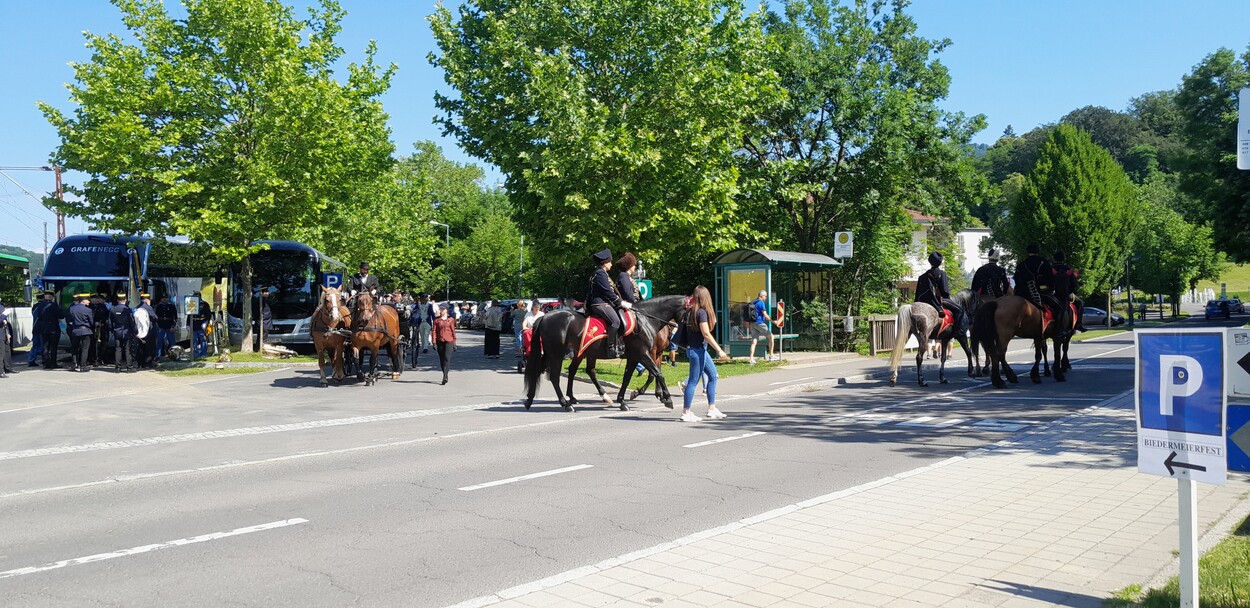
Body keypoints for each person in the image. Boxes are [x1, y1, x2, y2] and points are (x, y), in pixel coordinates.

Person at [680, 285, 730, 422]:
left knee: (713, 376)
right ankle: (686, 412)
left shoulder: (689, 312)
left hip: (694, 349)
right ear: (705, 297)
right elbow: (706, 334)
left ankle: (712, 409)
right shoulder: (701, 313)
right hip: (698, 350)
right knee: (693, 381)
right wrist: (719, 350)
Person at [1012, 243, 1066, 338]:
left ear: (1027, 251)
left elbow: (1016, 279)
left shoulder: (1021, 264)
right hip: (1040, 292)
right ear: (1038, 251)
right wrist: (1052, 288)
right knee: (1059, 308)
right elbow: (1050, 278)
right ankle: (1059, 331)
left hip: (1022, 294)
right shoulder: (1043, 262)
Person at [587, 249, 627, 358]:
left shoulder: (602, 273)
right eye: (609, 262)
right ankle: (610, 349)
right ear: (605, 263)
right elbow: (607, 292)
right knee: (616, 321)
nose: (611, 264)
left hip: (601, 303)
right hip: (599, 304)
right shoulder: (600, 274)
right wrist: (620, 302)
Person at [915, 252, 968, 329]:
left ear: (930, 262)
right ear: (940, 262)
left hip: (923, 301)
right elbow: (945, 292)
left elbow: (917, 294)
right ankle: (958, 331)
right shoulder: (941, 273)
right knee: (960, 311)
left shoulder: (922, 277)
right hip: (938, 301)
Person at [1051, 251, 1086, 333]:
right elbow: (1074, 284)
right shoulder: (1068, 269)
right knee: (1080, 303)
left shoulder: (1050, 268)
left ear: (1054, 259)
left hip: (1053, 294)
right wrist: (1070, 292)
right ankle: (1078, 324)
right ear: (1063, 259)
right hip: (1066, 294)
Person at [32, 290, 63, 369]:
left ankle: (45, 363)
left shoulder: (39, 305)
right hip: (53, 328)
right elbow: (60, 315)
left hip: (43, 329)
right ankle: (53, 363)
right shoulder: (53, 305)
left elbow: (39, 317)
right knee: (53, 347)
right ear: (51, 297)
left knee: (45, 346)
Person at [747, 290, 780, 364]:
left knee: (754, 341)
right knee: (771, 337)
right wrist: (773, 322)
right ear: (761, 296)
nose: (766, 298)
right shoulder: (761, 303)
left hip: (753, 323)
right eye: (765, 296)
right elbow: (765, 315)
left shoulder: (754, 302)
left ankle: (751, 359)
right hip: (760, 323)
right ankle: (771, 356)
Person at [109, 292, 137, 372]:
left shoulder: (113, 309)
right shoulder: (128, 310)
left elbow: (109, 322)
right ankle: (129, 367)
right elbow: (132, 321)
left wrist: (112, 330)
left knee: (118, 349)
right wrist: (135, 330)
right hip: (126, 331)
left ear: (118, 300)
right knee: (127, 349)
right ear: (125, 300)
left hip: (117, 331)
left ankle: (118, 367)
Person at [67, 294, 95, 372]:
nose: (89, 301)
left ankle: (74, 364)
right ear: (83, 301)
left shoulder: (72, 308)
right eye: (88, 300)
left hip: (75, 330)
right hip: (86, 331)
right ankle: (83, 366)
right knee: (85, 349)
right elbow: (91, 322)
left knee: (74, 348)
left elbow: (69, 319)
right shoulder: (88, 310)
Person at [432, 304, 457, 385]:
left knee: (447, 358)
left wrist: (454, 343)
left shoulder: (451, 319)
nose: (441, 310)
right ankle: (444, 372)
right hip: (440, 341)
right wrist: (434, 342)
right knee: (442, 359)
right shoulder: (436, 320)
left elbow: (453, 331)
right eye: (440, 309)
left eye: (443, 309)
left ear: (446, 310)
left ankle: (445, 376)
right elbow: (434, 331)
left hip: (449, 341)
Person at [135, 293, 158, 368]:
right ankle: (148, 363)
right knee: (149, 348)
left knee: (140, 348)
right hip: (149, 331)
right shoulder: (148, 307)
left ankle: (140, 363)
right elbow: (155, 317)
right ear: (147, 300)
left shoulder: (138, 307)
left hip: (139, 331)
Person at [154, 295, 178, 360]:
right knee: (159, 342)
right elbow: (156, 316)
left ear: (167, 299)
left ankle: (174, 355)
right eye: (163, 298)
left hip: (169, 325)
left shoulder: (172, 306)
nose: (164, 299)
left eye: (165, 298)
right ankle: (158, 356)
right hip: (161, 325)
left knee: (172, 342)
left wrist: (173, 326)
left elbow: (175, 318)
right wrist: (157, 325)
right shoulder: (159, 306)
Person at [0, 296, 16, 377]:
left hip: (4, 332)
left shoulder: (1, 306)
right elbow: (2, 320)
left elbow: (5, 323)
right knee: (1, 353)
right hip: (1, 332)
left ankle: (8, 367)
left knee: (7, 350)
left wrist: (8, 333)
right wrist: (4, 315)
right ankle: (1, 371)